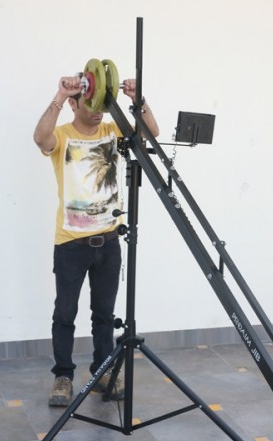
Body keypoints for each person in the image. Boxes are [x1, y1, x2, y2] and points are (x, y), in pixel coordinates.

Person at [33, 72, 160, 406]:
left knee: (104, 315)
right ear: (75, 105)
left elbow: (151, 132)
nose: (98, 111)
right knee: (65, 314)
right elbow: (40, 137)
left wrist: (138, 99)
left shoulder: (112, 131)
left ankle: (103, 371)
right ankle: (63, 376)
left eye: (102, 104)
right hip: (70, 244)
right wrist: (60, 95)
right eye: (90, 104)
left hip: (109, 241)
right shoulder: (62, 135)